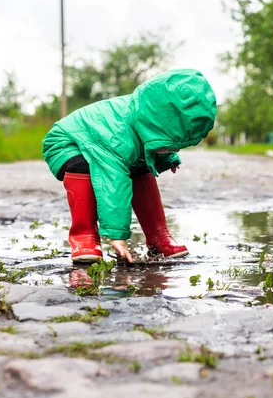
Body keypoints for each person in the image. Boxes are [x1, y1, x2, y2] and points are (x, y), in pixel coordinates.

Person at [42, 68, 217, 264]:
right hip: (67, 142)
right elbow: (113, 183)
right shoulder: (119, 137)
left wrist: (168, 157)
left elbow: (161, 134)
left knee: (142, 166)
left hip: (106, 140)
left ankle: (158, 236)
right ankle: (84, 237)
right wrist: (117, 236)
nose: (169, 147)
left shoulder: (148, 115)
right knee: (83, 165)